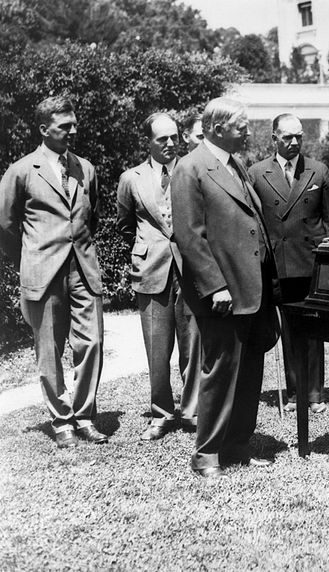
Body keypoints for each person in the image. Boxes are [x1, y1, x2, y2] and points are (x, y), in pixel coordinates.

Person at [171, 98, 281, 478]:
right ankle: (207, 453)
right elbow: (189, 235)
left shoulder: (235, 165)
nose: (248, 131)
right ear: (216, 128)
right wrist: (215, 285)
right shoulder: (190, 168)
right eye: (241, 125)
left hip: (252, 291)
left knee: (249, 370)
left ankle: (237, 443)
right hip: (224, 295)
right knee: (220, 370)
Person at [0, 95, 107, 448]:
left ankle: (84, 415)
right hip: (42, 271)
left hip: (83, 269)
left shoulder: (85, 168)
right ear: (44, 129)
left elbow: (90, 217)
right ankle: (61, 421)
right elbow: (6, 224)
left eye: (74, 124)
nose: (72, 131)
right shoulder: (20, 170)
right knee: (49, 348)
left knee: (91, 342)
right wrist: (29, 259)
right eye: (64, 127)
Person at [115, 112, 202, 440]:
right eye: (161, 139)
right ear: (148, 142)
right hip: (151, 271)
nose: (169, 143)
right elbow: (125, 223)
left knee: (194, 344)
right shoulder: (131, 178)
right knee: (157, 346)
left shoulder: (191, 169)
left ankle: (193, 410)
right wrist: (146, 248)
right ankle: (162, 413)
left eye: (173, 137)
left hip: (191, 270)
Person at [249, 113, 329, 414]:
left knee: (313, 328)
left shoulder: (317, 170)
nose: (294, 142)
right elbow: (254, 222)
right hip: (279, 263)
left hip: (312, 263)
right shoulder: (257, 173)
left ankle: (314, 393)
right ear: (274, 138)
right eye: (287, 137)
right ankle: (292, 391)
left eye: (298, 136)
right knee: (287, 328)